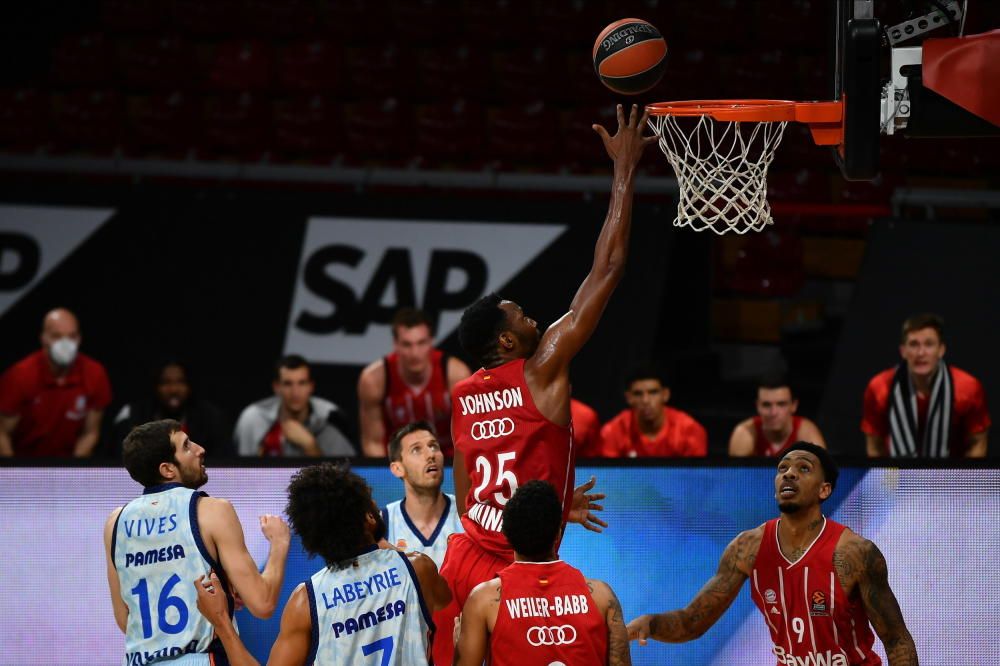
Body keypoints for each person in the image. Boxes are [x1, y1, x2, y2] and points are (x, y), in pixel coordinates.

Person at [443, 104, 654, 612]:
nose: (532, 318)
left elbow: (468, 479)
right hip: (513, 567)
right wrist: (624, 169)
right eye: (520, 316)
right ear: (508, 342)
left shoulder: (464, 394)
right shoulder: (542, 369)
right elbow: (609, 268)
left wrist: (555, 511)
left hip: (463, 554)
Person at [627, 442, 918, 665]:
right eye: (782, 469)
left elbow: (896, 639)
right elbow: (692, 622)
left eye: (803, 468)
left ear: (824, 490)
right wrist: (651, 624)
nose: (789, 473)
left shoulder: (855, 553)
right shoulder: (747, 548)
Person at [103, 419, 291, 665]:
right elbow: (263, 603)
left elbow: (124, 618)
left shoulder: (115, 522)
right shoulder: (212, 510)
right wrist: (279, 544)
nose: (200, 449)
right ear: (168, 469)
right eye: (187, 446)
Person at [455, 480, 631, 666]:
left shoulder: (483, 600)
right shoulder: (602, 596)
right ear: (558, 533)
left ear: (507, 535)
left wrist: (458, 647)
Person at [382, 421, 464, 666]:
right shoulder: (381, 525)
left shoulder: (469, 516)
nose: (430, 454)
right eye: (417, 449)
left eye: (434, 446)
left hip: (462, 652)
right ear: (397, 468)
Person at [862, 313, 989, 458]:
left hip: (952, 475)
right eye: (914, 344)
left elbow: (977, 444)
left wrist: (960, 480)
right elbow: (874, 447)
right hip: (897, 474)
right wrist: (890, 480)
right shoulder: (879, 388)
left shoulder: (968, 388)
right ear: (903, 351)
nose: (921, 353)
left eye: (929, 344)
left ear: (941, 350)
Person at [357, 308, 471, 458]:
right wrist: (390, 476)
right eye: (406, 344)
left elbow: (468, 437)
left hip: (447, 462)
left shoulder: (456, 375)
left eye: (421, 343)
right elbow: (373, 443)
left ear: (431, 342)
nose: (415, 353)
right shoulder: (373, 380)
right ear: (395, 344)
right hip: (399, 464)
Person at [0, 307, 112, 457]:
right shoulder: (19, 376)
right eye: (57, 336)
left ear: (79, 338)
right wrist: (14, 476)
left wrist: (70, 473)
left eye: (72, 336)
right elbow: (3, 434)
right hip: (24, 465)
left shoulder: (95, 373)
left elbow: (90, 433)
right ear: (43, 338)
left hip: (68, 467)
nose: (65, 344)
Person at [234, 354, 355, 458]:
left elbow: (347, 476)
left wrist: (310, 446)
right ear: (276, 387)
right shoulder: (252, 418)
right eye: (287, 384)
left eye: (302, 383)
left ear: (311, 386)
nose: (295, 392)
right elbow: (241, 474)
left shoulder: (330, 418)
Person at [111, 359, 232, 459]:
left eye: (180, 382)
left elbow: (223, 459)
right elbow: (120, 456)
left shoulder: (211, 416)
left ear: (189, 386)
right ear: (156, 386)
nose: (173, 389)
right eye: (166, 382)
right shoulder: (133, 414)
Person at [601, 365, 707, 458]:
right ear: (629, 398)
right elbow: (608, 477)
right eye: (638, 394)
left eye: (653, 392)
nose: (645, 400)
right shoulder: (613, 431)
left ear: (665, 395)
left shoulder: (690, 430)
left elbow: (695, 478)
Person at [729, 373, 826, 457]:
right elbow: (735, 477)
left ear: (794, 405)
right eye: (766, 405)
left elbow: (823, 476)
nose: (773, 412)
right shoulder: (745, 433)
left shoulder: (807, 435)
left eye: (781, 404)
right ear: (757, 406)